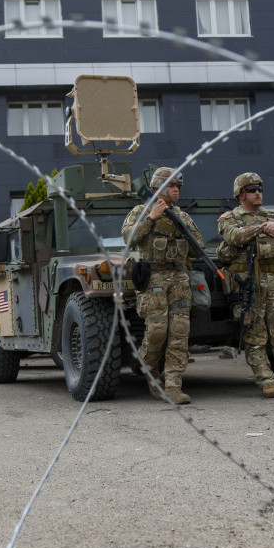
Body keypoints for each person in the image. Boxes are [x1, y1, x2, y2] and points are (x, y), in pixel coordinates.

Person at [217, 173, 274, 397]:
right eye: (251, 189)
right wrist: (262, 229)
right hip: (249, 282)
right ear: (240, 195)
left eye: (259, 189)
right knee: (255, 335)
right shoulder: (230, 217)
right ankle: (266, 381)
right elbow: (232, 237)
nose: (258, 192)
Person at [122, 167, 204, 405]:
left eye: (179, 186)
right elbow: (128, 237)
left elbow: (198, 246)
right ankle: (150, 373)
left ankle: (173, 385)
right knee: (157, 332)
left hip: (179, 278)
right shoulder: (141, 211)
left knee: (179, 333)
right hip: (154, 278)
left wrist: (181, 229)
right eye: (172, 186)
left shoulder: (183, 216)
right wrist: (151, 218)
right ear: (158, 187)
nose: (176, 190)